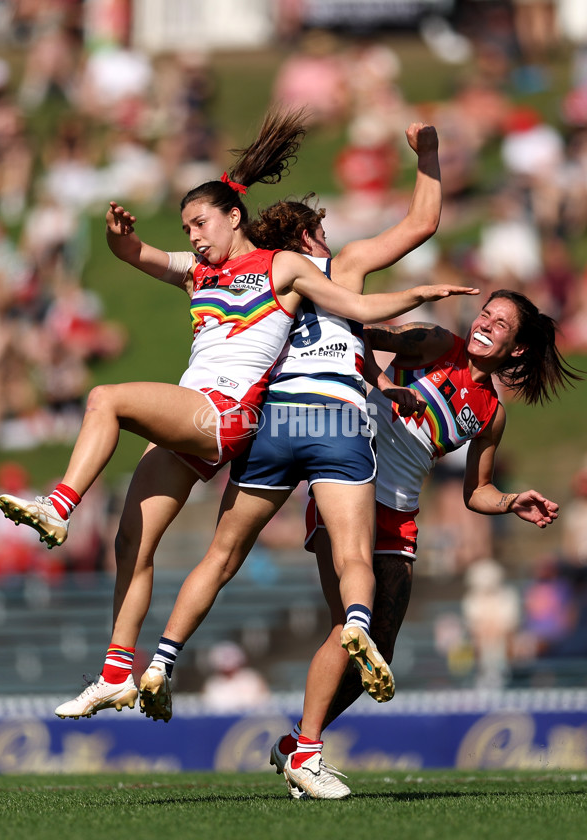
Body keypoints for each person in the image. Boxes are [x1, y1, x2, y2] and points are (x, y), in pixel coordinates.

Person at [0, 115, 474, 719]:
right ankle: (122, 671)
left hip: (236, 417)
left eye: (200, 224)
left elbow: (358, 304)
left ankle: (59, 507)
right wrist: (120, 236)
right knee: (132, 541)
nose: (193, 236)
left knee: (108, 400)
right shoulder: (204, 271)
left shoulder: (288, 268)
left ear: (235, 217)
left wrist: (414, 298)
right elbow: (135, 254)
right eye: (187, 228)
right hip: (233, 416)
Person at [130, 128, 473, 737]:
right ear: (312, 235)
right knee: (353, 556)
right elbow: (421, 224)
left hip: (273, 421)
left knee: (222, 553)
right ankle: (360, 625)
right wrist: (426, 156)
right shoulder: (344, 267)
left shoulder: (251, 275)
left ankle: (162, 658)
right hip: (335, 420)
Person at [269, 288, 581, 798]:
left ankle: (294, 744)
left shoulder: (491, 414)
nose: (485, 324)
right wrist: (387, 386)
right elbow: (355, 336)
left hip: (401, 516)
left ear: (517, 348)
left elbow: (475, 492)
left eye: (500, 323)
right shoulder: (438, 343)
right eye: (486, 313)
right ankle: (306, 751)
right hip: (349, 483)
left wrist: (511, 502)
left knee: (379, 646)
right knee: (350, 623)